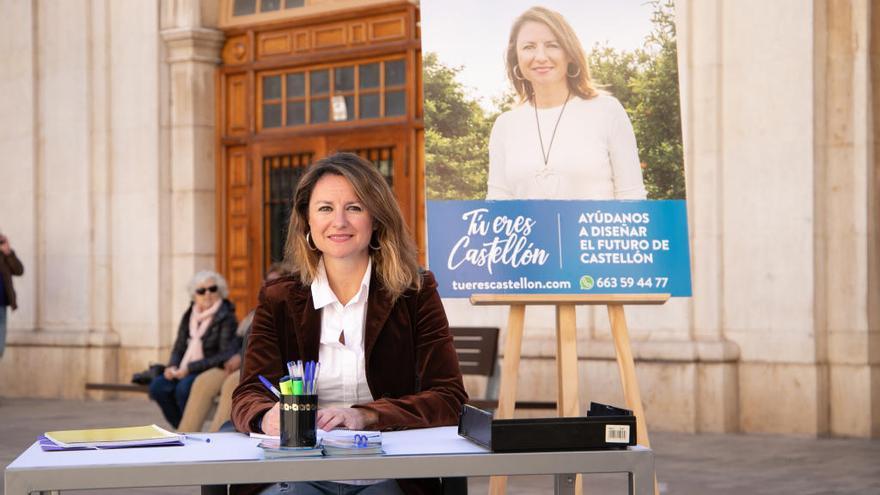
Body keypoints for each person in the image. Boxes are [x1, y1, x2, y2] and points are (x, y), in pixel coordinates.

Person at [231, 152, 467, 495]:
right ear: (307, 223)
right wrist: (267, 415)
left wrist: (366, 416)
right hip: (297, 470)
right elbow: (248, 394)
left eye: (354, 207)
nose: (338, 221)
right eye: (325, 208)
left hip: (389, 470)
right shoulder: (279, 298)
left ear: (376, 220)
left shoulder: (415, 292)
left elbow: (449, 397)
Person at [486, 6, 647, 200]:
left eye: (552, 45)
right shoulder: (505, 125)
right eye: (529, 47)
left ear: (570, 53)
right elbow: (497, 205)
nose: (541, 57)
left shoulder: (607, 111)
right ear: (516, 58)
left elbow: (633, 199)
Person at [178, 264, 287, 432]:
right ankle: (183, 435)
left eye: (275, 282)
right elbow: (237, 341)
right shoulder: (256, 311)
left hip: (261, 367)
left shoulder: (288, 312)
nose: (270, 287)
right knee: (203, 381)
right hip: (237, 361)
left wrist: (240, 358)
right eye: (267, 282)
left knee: (231, 384)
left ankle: (216, 441)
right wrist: (234, 356)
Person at [149, 270, 238, 430]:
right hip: (184, 368)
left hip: (207, 368)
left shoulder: (227, 316)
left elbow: (225, 354)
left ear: (220, 291)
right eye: (201, 291)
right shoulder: (190, 314)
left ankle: (189, 430)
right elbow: (180, 346)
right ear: (194, 295)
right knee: (158, 387)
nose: (207, 294)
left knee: (184, 388)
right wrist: (172, 366)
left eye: (212, 289)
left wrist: (190, 368)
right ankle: (182, 428)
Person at [0, 231, 24, 359]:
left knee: (0, 349)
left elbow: (19, 270)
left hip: (1, 305)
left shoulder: (5, 255)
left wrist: (8, 252)